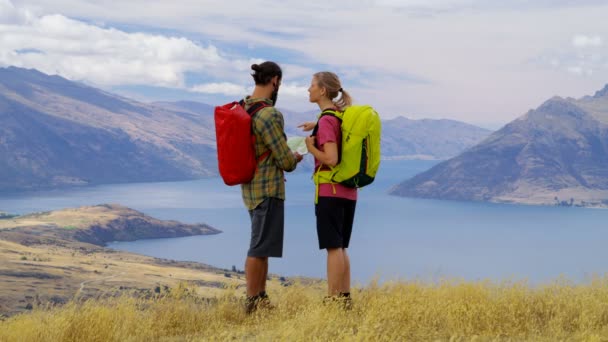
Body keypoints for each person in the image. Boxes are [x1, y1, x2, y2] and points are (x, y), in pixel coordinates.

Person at [241, 61, 303, 314]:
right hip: (268, 189)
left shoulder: (245, 106)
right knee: (258, 247)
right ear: (275, 80)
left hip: (250, 187)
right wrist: (296, 156)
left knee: (262, 245)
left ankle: (261, 299)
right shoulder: (269, 114)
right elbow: (285, 160)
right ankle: (253, 302)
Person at [300, 71, 356, 308]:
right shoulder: (339, 116)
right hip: (348, 190)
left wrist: (310, 148)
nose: (308, 89)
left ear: (322, 90)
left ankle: (332, 300)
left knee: (333, 247)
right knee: (341, 246)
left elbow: (331, 158)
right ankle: (344, 298)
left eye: (312, 85)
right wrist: (317, 125)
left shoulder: (327, 120)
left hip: (329, 191)